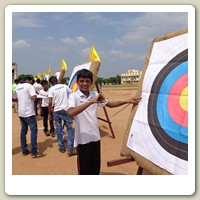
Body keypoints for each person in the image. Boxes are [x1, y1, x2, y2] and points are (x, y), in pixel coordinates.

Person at [68, 69, 141, 175]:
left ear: (91, 82)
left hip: (95, 137)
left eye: (88, 81)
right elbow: (71, 113)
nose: (85, 84)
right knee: (84, 170)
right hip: (82, 139)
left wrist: (128, 100)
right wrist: (91, 102)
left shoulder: (94, 94)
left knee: (95, 167)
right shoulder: (73, 96)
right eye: (82, 81)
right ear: (77, 82)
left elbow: (110, 104)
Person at [12, 76, 45, 158]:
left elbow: (14, 99)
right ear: (29, 81)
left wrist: (22, 98)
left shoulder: (17, 87)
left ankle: (24, 150)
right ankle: (34, 152)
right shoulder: (29, 86)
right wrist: (35, 96)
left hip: (21, 113)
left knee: (23, 131)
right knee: (33, 131)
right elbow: (34, 97)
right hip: (29, 113)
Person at [48, 76, 75, 156]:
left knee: (58, 128)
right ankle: (70, 149)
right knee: (69, 128)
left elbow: (50, 102)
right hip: (66, 110)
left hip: (56, 111)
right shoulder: (64, 86)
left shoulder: (51, 89)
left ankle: (62, 147)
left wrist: (50, 113)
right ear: (57, 80)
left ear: (50, 83)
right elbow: (72, 93)